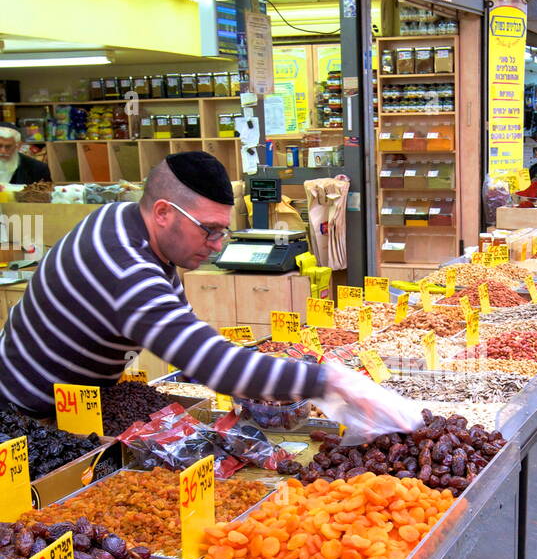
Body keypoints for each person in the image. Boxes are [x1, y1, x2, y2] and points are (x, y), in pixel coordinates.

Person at [0, 151, 403, 426]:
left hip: (81, 404)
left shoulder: (126, 222)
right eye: (208, 230)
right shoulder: (122, 263)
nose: (217, 245)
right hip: (25, 415)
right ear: (162, 212)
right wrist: (330, 382)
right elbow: (207, 362)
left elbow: (188, 330)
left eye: (223, 232)